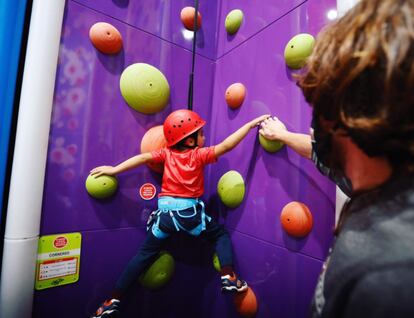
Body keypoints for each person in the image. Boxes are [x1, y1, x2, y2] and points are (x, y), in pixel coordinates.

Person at [268, 0, 414, 316]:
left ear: (343, 115)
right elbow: (324, 155)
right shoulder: (379, 179)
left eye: (321, 104)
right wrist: (282, 136)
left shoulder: (391, 275)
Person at [89, 109, 269, 318]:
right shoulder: (199, 155)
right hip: (188, 214)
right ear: (189, 140)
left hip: (165, 215)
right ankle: (228, 276)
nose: (204, 137)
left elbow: (142, 158)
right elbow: (227, 145)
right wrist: (250, 124)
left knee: (143, 256)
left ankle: (112, 299)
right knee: (219, 235)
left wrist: (113, 170)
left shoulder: (166, 154)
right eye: (200, 134)